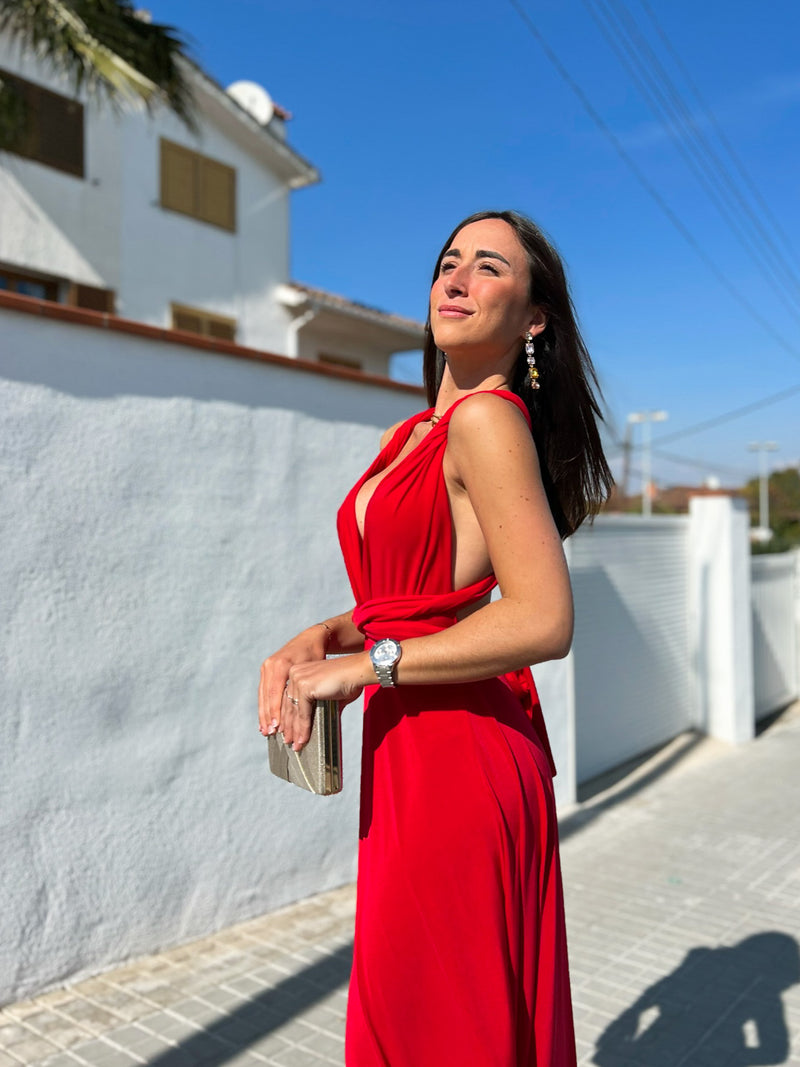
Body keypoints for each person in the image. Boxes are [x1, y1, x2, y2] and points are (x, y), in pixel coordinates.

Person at [258, 209, 612, 1066]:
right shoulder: (406, 434)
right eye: (449, 261)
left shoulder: (489, 422)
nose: (456, 278)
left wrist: (366, 666)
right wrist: (326, 631)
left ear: (535, 320)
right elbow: (414, 597)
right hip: (407, 749)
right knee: (412, 1013)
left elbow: (543, 618)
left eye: (489, 267)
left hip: (463, 756)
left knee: (447, 1025)